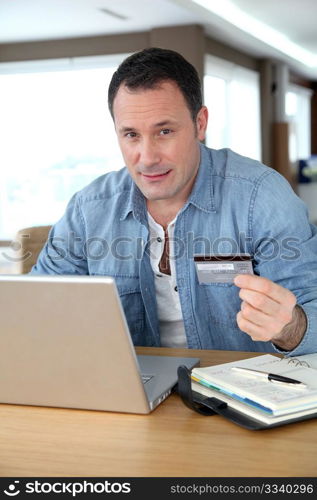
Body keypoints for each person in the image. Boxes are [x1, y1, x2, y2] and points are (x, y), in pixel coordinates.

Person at [31, 47, 317, 355]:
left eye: (164, 131)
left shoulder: (262, 197)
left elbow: (310, 313)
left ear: (200, 123)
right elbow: (34, 309)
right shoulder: (88, 210)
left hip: (239, 393)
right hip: (128, 393)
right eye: (130, 135)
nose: (148, 158)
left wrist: (290, 328)